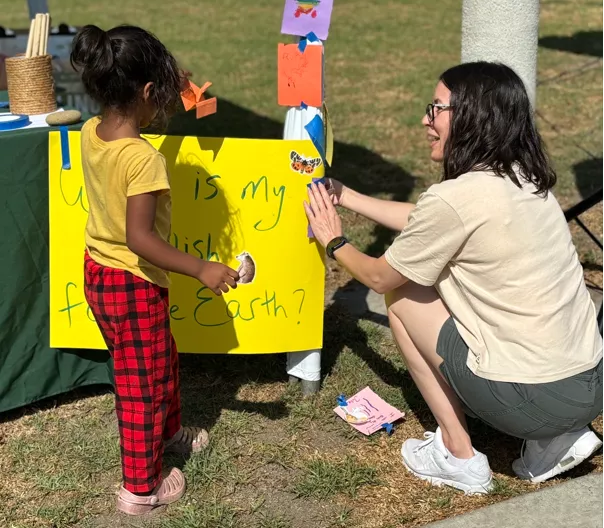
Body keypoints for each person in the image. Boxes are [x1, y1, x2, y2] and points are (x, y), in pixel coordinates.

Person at [305, 61, 603, 494]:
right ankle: (553, 440)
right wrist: (346, 195)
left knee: (404, 297)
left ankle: (458, 455)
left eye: (436, 108)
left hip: (533, 399)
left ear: (472, 117)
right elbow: (424, 219)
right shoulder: (527, 180)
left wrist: (333, 240)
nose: (425, 119)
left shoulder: (457, 199)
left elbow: (379, 277)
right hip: (589, 387)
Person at [71, 25, 240, 515]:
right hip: (132, 282)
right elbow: (140, 239)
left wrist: (168, 82)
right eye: (160, 94)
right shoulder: (143, 159)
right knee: (140, 387)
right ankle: (140, 489)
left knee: (155, 361)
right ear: (148, 91)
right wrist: (201, 268)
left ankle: (169, 434)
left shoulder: (91, 131)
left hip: (99, 273)